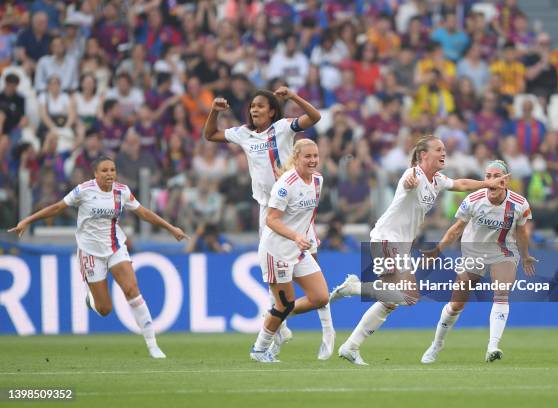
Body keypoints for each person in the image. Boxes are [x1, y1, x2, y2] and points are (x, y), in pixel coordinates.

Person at [330, 135, 509, 365]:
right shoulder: (412, 174)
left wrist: (486, 184)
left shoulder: (437, 180)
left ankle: (351, 347)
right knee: (409, 296)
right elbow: (408, 182)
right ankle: (352, 288)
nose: (443, 153)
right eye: (438, 149)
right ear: (424, 155)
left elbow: (461, 184)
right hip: (386, 239)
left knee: (391, 301)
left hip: (400, 245)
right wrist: (409, 183)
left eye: (444, 149)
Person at [8, 157, 189, 359]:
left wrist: (171, 228)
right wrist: (28, 220)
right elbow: (58, 207)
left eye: (112, 169)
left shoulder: (122, 191)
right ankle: (91, 299)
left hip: (115, 247)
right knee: (104, 309)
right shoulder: (83, 191)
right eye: (105, 170)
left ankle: (152, 345)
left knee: (132, 290)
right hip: (90, 252)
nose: (110, 173)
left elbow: (144, 213)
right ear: (95, 173)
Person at [203, 86, 335, 360]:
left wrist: (294, 97)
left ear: (273, 110)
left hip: (297, 206)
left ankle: (290, 320)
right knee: (282, 288)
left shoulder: (284, 128)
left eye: (261, 106)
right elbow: (210, 135)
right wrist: (214, 112)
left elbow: (314, 117)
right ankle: (276, 323)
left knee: (314, 289)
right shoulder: (244, 134)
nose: (254, 109)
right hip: (271, 210)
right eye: (252, 106)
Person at [420, 160, 537, 363]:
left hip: (503, 252)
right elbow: (456, 229)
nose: (490, 180)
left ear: (505, 181)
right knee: (456, 304)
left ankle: (493, 346)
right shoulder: (474, 199)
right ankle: (436, 344)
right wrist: (438, 249)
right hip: (473, 252)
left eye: (495, 176)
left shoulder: (519, 204)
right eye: (487, 176)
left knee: (501, 293)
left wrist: (525, 256)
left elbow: (522, 232)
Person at [250, 139, 331, 362]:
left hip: (298, 249)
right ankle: (259, 349)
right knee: (284, 304)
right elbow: (271, 220)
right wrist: (296, 236)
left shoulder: (318, 181)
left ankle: (273, 314)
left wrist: (308, 238)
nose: (313, 160)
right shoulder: (286, 184)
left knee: (321, 297)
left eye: (316, 156)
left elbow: (307, 217)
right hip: (276, 250)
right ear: (296, 158)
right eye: (308, 156)